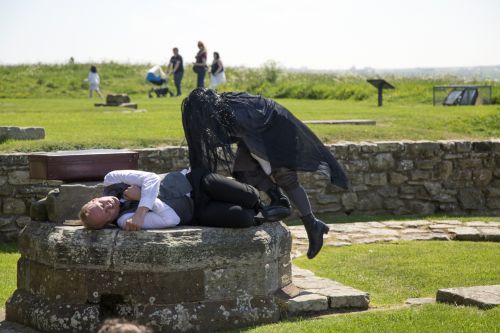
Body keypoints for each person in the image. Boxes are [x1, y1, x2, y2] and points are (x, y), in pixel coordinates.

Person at [181, 89, 350, 259]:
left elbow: (255, 145)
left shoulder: (237, 113)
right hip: (259, 130)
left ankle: (312, 224)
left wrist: (270, 166)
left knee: (284, 176)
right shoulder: (224, 111)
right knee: (244, 171)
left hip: (278, 128)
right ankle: (279, 200)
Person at [80, 169, 282, 231]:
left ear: (94, 198)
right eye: (106, 213)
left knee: (249, 195)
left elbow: (149, 178)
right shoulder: (126, 220)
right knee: (241, 218)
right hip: (195, 211)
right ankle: (259, 215)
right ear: (108, 222)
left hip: (195, 181)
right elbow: (171, 220)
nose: (108, 206)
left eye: (101, 204)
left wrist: (142, 206)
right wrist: (147, 201)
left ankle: (264, 205)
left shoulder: (112, 179)